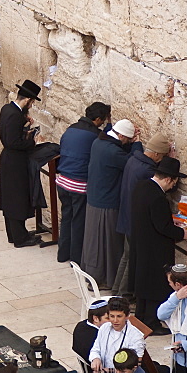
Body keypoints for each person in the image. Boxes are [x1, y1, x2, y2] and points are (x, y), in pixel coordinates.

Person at [130, 156, 187, 332]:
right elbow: (162, 226)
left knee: (143, 283)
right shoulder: (158, 197)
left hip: (141, 243)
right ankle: (151, 322)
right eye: (174, 183)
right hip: (154, 248)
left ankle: (142, 317)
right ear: (169, 179)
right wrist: (182, 233)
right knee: (155, 284)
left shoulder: (142, 186)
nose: (173, 187)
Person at [115, 131, 171, 298]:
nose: (161, 160)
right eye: (161, 156)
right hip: (136, 221)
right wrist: (169, 164)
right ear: (155, 154)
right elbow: (162, 184)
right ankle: (124, 296)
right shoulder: (148, 169)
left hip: (126, 216)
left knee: (126, 257)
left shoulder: (133, 159)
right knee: (131, 258)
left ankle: (116, 292)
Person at [84, 118, 139, 288]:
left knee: (95, 243)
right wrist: (137, 144)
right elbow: (131, 162)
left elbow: (120, 151)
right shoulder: (112, 152)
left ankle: (94, 275)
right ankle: (103, 279)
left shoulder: (98, 143)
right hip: (106, 203)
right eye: (127, 139)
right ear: (121, 135)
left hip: (95, 198)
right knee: (106, 244)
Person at [56, 102, 111, 265]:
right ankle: (76, 258)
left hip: (62, 181)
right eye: (104, 120)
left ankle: (63, 253)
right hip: (78, 184)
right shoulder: (95, 136)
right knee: (79, 221)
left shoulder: (71, 128)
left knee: (66, 217)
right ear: (98, 119)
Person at [0, 79, 44, 248]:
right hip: (14, 162)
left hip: (9, 160)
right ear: (27, 100)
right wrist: (33, 142)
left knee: (11, 198)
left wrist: (25, 123)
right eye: (31, 103)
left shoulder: (7, 109)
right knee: (16, 199)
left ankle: (16, 233)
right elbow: (13, 142)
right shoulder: (14, 115)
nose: (31, 106)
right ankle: (19, 238)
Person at [157, 264, 187, 371]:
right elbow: (161, 314)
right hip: (179, 360)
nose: (169, 284)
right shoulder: (176, 297)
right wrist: (176, 298)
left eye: (170, 282)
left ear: (177, 284)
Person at [88, 297, 145, 372]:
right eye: (112, 316)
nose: (115, 321)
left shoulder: (136, 336)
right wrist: (95, 358)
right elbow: (96, 349)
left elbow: (132, 367)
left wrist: (108, 371)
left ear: (127, 316)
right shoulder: (104, 328)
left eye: (119, 316)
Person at [72, 298, 110, 365]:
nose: (113, 321)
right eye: (108, 318)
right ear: (96, 319)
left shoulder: (81, 325)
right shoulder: (95, 337)